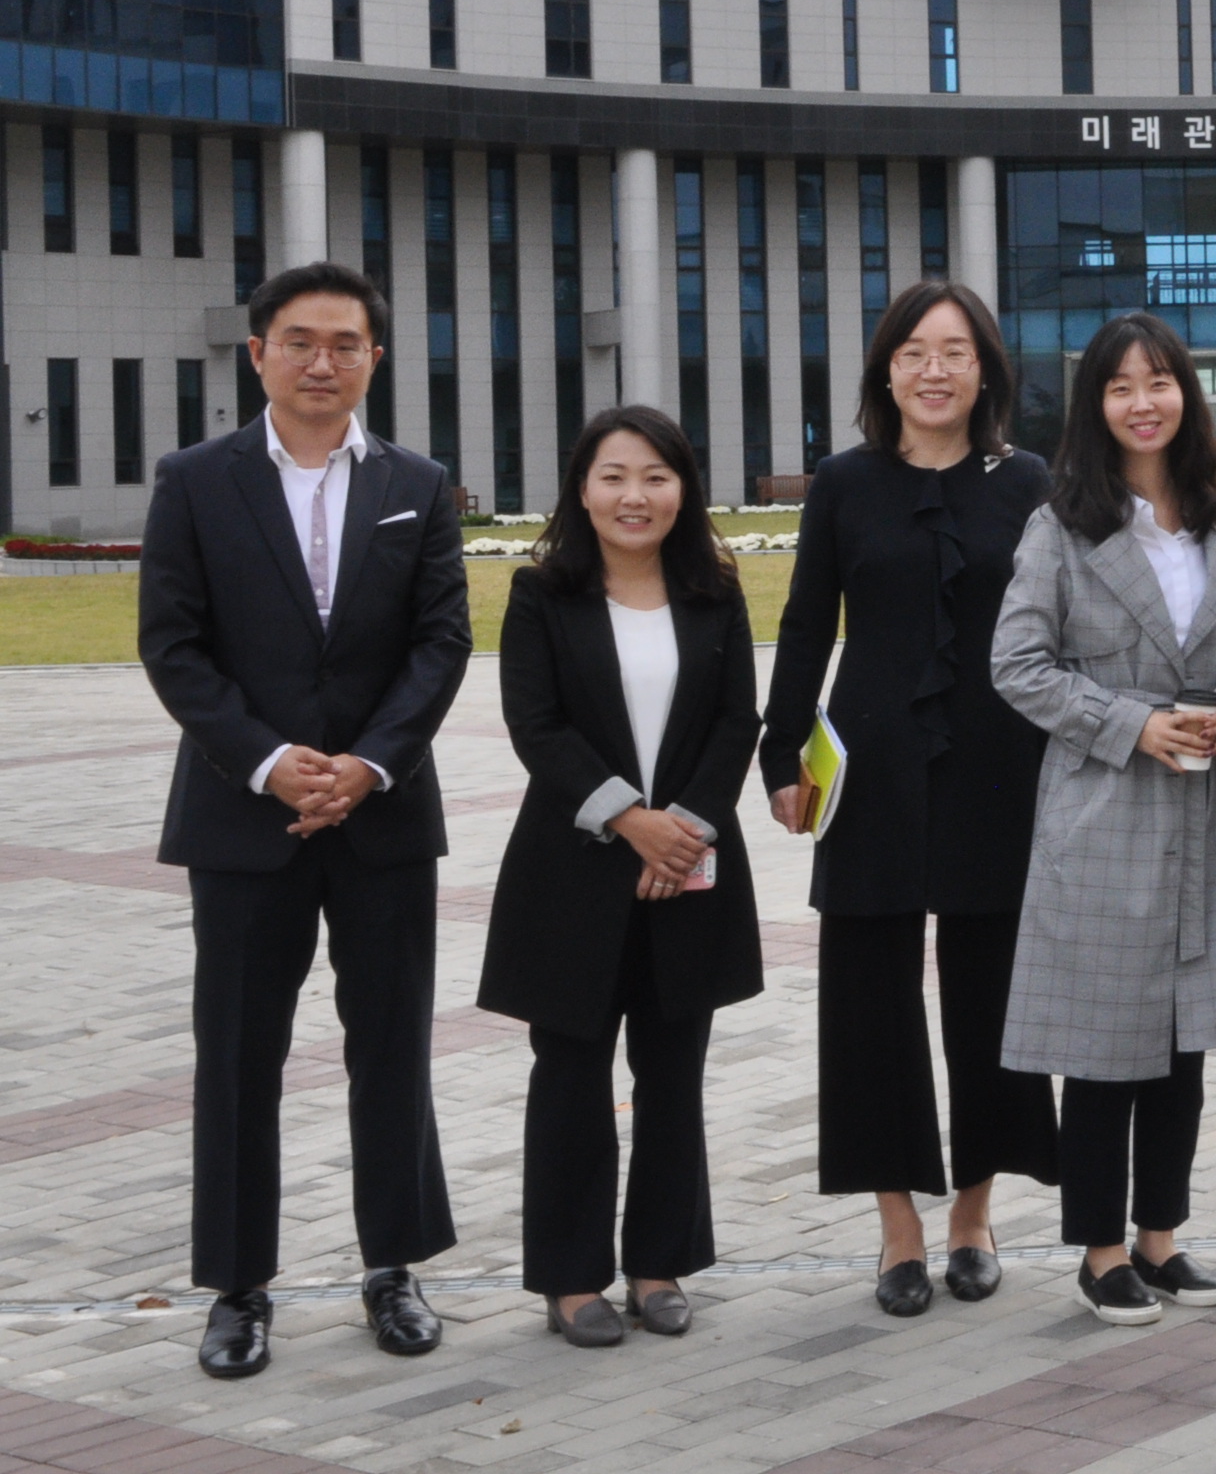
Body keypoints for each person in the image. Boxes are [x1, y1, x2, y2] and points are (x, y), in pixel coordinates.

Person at [138, 261, 467, 1380]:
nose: (322, 361)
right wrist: (272, 763)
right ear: (258, 353)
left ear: (376, 358)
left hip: (381, 819)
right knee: (236, 1055)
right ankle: (238, 1288)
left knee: (392, 1048)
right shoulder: (195, 479)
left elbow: (441, 643)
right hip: (243, 822)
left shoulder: (418, 484)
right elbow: (173, 645)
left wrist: (369, 766)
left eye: (345, 343)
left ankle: (396, 1267)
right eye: (299, 341)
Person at [758, 281, 1060, 1315]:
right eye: (915, 352)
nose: (936, 370)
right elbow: (804, 628)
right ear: (886, 370)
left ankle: (974, 1215)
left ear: (986, 371)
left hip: (999, 762)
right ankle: (898, 1226)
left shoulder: (1028, 482)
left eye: (957, 351)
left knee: (989, 992)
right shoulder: (845, 484)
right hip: (869, 765)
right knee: (869, 998)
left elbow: (1067, 624)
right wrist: (777, 756)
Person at [992, 313, 1216, 1327]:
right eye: (1121, 387)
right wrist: (1135, 724)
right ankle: (1101, 1253)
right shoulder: (1060, 527)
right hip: (1104, 808)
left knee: (1182, 1045)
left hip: (1202, 807)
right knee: (1106, 1048)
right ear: (1094, 407)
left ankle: (1161, 1240)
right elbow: (1017, 666)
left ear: (1185, 397)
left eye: (1160, 382)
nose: (1143, 401)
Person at [481, 406, 764, 1347]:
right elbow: (537, 726)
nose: (633, 496)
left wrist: (680, 829)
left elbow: (736, 723)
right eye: (613, 476)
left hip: (691, 863)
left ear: (683, 488)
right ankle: (570, 1279)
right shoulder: (542, 592)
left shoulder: (716, 594)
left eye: (655, 476)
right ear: (582, 487)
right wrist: (629, 820)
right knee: (570, 1075)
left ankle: (658, 1265)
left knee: (672, 1073)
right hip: (572, 874)